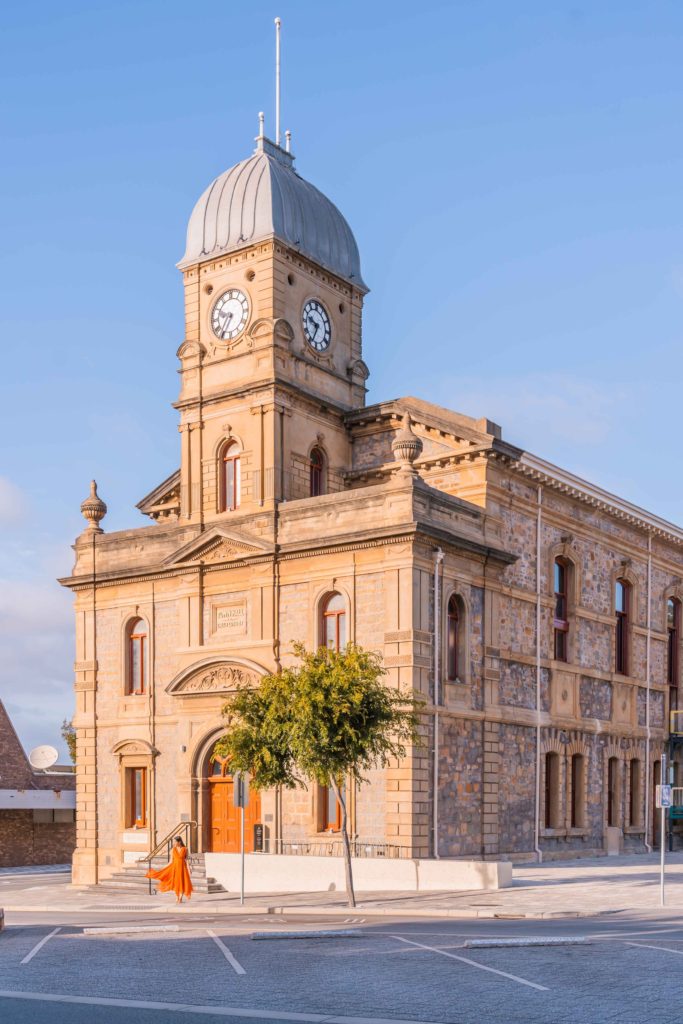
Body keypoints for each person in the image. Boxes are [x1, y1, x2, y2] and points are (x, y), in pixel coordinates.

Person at [146, 836, 193, 903]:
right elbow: (170, 861)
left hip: (183, 868)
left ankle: (180, 898)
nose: (174, 843)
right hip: (175, 868)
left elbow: (186, 860)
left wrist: (189, 868)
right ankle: (177, 897)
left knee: (183, 883)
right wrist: (164, 868)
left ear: (179, 842)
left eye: (175, 842)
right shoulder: (173, 850)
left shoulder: (185, 849)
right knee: (177, 883)